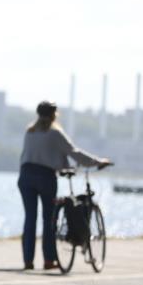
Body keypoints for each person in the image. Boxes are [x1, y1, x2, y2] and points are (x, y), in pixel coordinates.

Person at [18, 101, 111, 270]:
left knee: (30, 218)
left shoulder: (29, 131)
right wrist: (97, 162)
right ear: (54, 115)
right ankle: (48, 260)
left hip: (25, 176)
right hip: (45, 176)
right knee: (49, 219)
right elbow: (74, 152)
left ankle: (28, 261)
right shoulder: (54, 134)